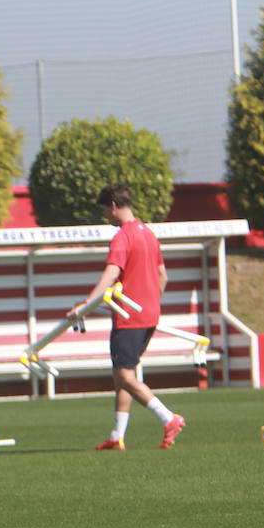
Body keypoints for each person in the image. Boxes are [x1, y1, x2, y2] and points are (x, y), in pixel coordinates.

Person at [70, 182, 184, 451]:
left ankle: (168, 418)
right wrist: (151, 302)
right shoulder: (149, 234)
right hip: (149, 314)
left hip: (129, 316)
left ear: (112, 206)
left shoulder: (123, 236)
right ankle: (116, 435)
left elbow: (111, 273)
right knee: (123, 374)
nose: (106, 218)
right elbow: (163, 276)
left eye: (105, 212)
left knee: (124, 376)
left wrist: (86, 303)